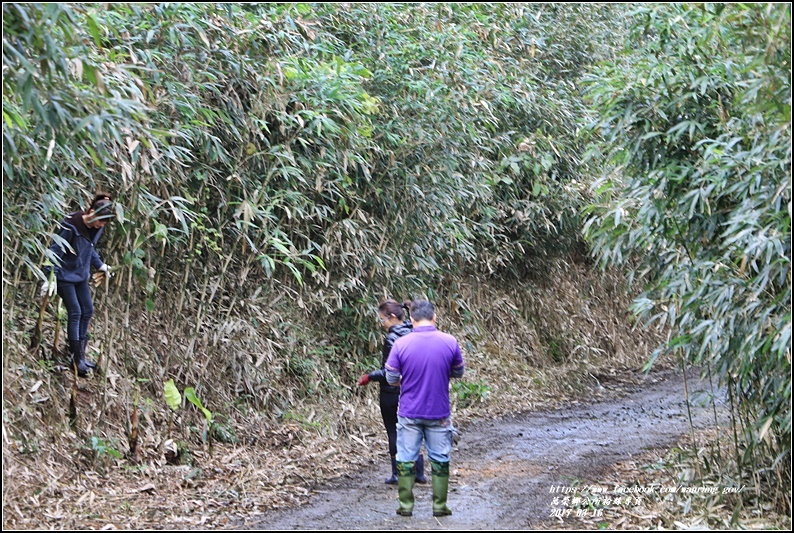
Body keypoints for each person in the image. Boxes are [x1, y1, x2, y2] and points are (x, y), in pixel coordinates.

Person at [385, 299, 465, 517]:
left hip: (409, 412)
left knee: (406, 457)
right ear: (434, 317)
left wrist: (405, 380)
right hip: (439, 411)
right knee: (440, 457)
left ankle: (406, 506)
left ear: (411, 320)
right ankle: (439, 506)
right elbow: (458, 372)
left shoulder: (401, 344)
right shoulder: (449, 341)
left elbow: (391, 377)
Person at [41, 192, 116, 377]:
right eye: (99, 221)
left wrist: (100, 265)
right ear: (91, 212)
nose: (100, 226)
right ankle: (76, 359)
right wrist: (49, 278)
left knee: (88, 310)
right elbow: (55, 251)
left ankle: (81, 356)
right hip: (64, 275)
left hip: (80, 274)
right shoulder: (71, 224)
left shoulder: (98, 227)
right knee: (75, 312)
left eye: (103, 224)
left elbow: (90, 248)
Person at [357, 299, 426, 484]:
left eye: (383, 320)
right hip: (414, 390)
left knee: (394, 431)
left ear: (393, 317)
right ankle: (418, 473)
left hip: (392, 392)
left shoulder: (392, 338)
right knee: (413, 429)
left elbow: (390, 372)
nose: (382, 324)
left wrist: (370, 376)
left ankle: (398, 474)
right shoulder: (415, 332)